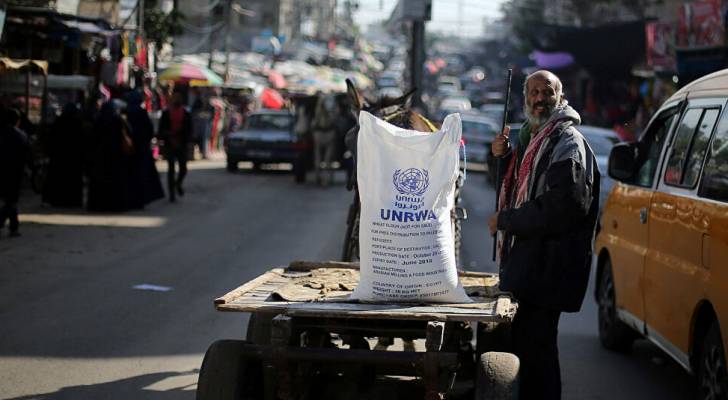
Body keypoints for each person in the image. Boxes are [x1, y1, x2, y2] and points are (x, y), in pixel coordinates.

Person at [488, 70, 600, 400]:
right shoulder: (535, 139)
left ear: (559, 97)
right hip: (530, 266)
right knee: (525, 351)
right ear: (525, 99)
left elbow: (563, 207)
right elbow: (522, 186)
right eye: (533, 93)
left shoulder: (567, 142)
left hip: (547, 270)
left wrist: (506, 220)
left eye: (547, 93)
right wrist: (503, 157)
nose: (540, 99)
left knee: (537, 357)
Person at [124, 91, 165, 207]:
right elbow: (149, 130)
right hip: (141, 150)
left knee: (130, 176)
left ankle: (130, 199)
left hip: (128, 151)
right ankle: (140, 200)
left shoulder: (125, 113)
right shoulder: (141, 113)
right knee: (141, 176)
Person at [42, 103, 85, 208]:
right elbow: (83, 141)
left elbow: (51, 140)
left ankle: (57, 200)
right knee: (72, 181)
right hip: (74, 159)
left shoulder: (59, 122)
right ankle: (72, 201)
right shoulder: (78, 123)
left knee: (59, 180)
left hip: (59, 158)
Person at [0, 108, 31, 237]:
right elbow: (26, 155)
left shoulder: (1, 134)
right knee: (11, 200)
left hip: (2, 170)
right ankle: (10, 225)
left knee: (10, 200)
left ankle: (14, 227)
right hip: (14, 172)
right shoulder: (21, 136)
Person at [158, 93, 191, 202]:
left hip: (181, 144)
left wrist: (184, 137)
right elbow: (160, 130)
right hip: (170, 144)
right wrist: (167, 135)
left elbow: (190, 130)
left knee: (183, 169)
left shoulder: (186, 113)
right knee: (171, 169)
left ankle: (178, 184)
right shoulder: (166, 113)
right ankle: (172, 193)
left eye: (179, 98)